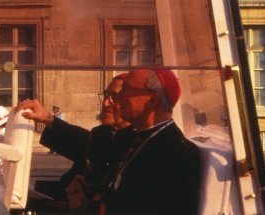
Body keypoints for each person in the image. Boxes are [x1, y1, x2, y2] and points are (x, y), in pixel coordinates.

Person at [17, 73, 134, 212]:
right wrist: (46, 118)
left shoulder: (138, 146)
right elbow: (81, 141)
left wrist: (86, 204)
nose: (105, 103)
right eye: (105, 95)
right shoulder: (100, 134)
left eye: (115, 98)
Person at [99, 68, 201, 214]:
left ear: (152, 100)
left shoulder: (173, 155)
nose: (119, 98)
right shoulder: (143, 139)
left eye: (126, 90)